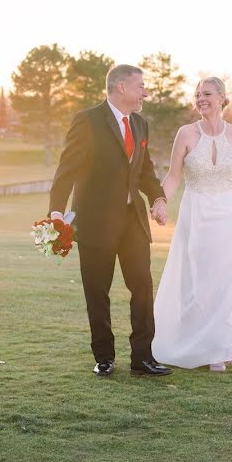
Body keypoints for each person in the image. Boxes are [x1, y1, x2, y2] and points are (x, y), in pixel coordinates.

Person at [48, 64, 172, 377]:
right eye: (141, 86)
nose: (145, 92)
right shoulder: (87, 120)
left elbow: (146, 172)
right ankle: (104, 357)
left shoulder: (141, 124)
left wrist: (158, 199)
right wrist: (56, 212)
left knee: (142, 287)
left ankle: (142, 358)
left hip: (134, 222)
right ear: (121, 88)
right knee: (97, 291)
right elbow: (67, 169)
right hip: (95, 223)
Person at [151, 77, 232, 372]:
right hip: (197, 212)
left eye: (208, 94)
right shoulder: (186, 133)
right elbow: (174, 176)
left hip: (228, 212)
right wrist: (161, 201)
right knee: (198, 279)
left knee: (226, 279)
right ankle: (202, 345)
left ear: (223, 98)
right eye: (197, 94)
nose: (201, 99)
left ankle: (222, 344)